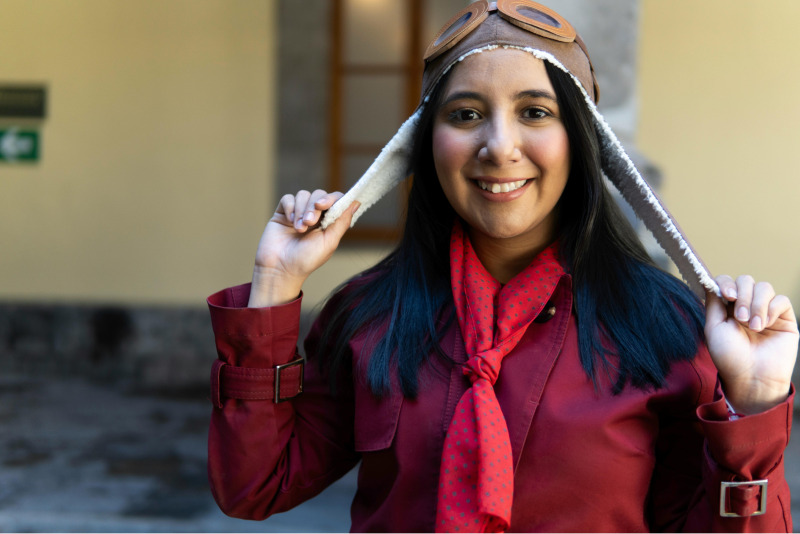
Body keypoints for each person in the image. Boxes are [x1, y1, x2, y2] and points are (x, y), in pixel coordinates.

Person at [206, 1, 798, 532]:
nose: (499, 145)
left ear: (582, 138)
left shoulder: (665, 329)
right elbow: (254, 486)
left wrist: (752, 407)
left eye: (535, 112)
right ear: (424, 145)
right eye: (465, 115)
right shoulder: (369, 315)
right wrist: (275, 286)